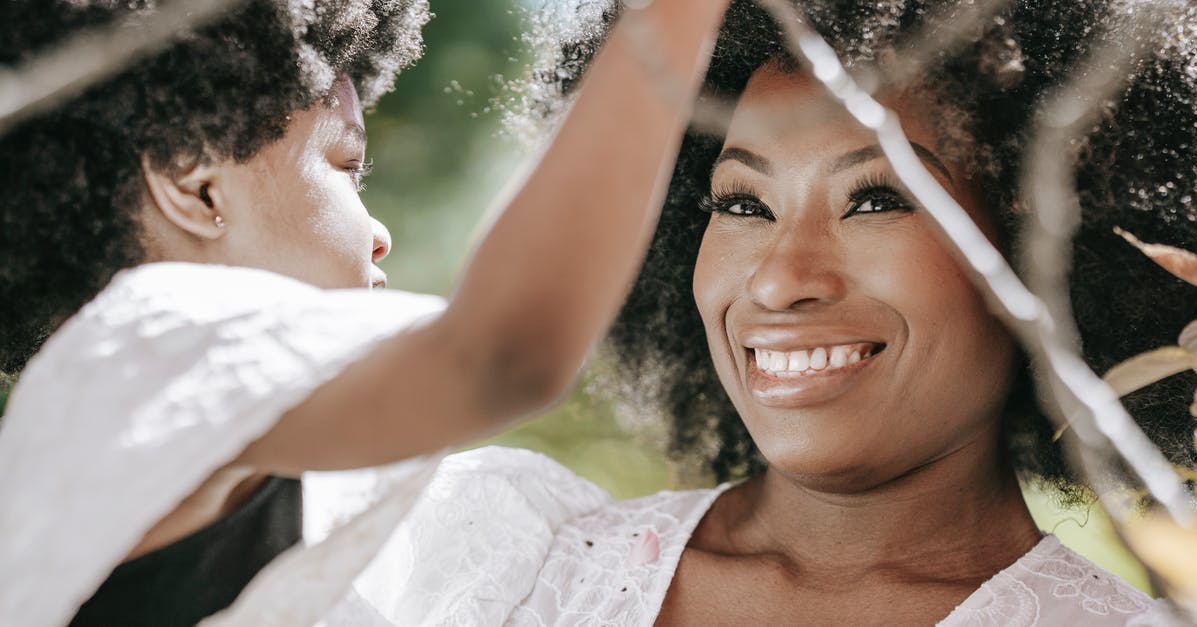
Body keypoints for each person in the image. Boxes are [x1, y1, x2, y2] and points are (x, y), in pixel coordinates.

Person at [376, 0, 1197, 624]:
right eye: (741, 203)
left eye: (877, 199)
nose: (779, 281)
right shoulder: (500, 558)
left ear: (1040, 249)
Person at [0, 0, 733, 625]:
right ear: (196, 186)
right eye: (346, 166)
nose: (379, 232)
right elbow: (501, 357)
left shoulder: (156, 425)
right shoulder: (137, 344)